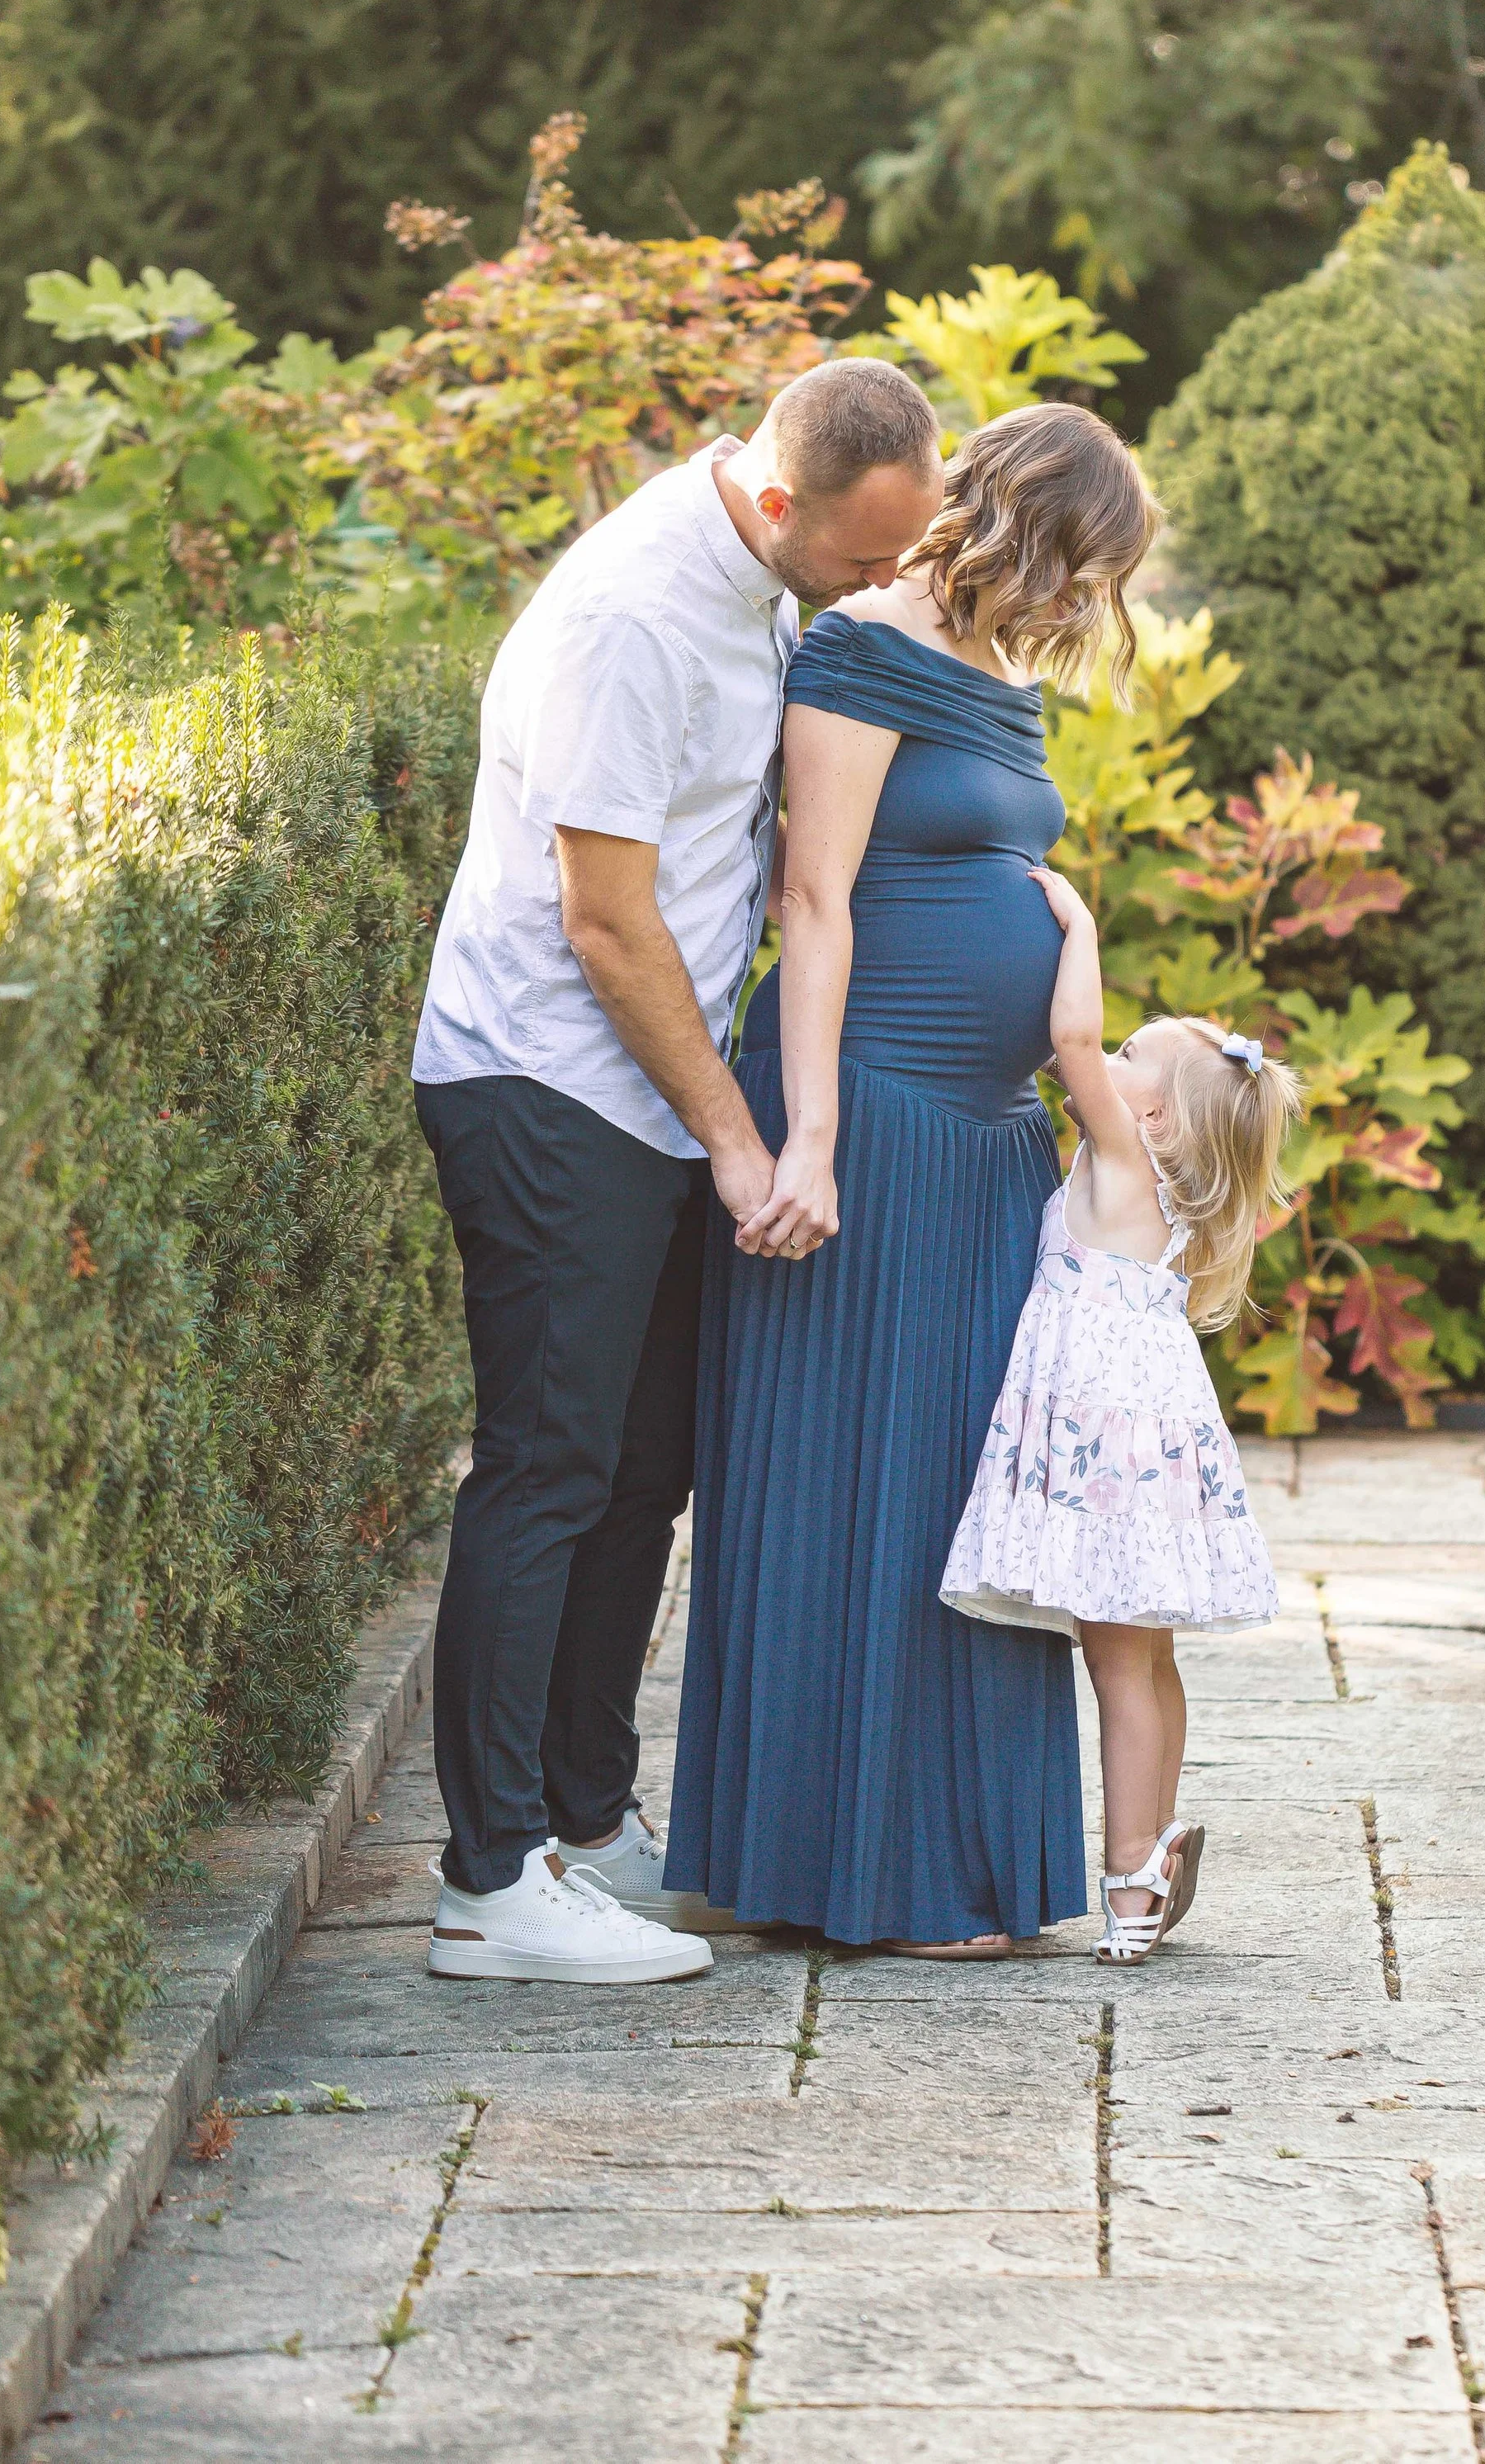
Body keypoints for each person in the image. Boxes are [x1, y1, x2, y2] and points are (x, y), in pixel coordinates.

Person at [413, 357, 943, 1985]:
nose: (876, 585)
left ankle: (582, 1824)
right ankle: (487, 1886)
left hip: (639, 1099)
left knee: (643, 1467)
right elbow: (604, 918)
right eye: (862, 558)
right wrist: (738, 1136)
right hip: (548, 1088)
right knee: (547, 1466)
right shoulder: (633, 620)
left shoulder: (768, 576)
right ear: (778, 503)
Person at [666, 402, 1159, 1955]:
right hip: (871, 1115)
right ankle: (873, 1878)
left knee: (972, 1491)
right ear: (1020, 523)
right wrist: (807, 1139)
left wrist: (1061, 932)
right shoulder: (863, 646)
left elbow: (982, 862)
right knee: (864, 1493)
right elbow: (813, 898)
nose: (1088, 605)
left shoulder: (998, 670)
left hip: (985, 1132)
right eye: (1082, 567)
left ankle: (951, 1862)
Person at [940, 866, 1296, 1965]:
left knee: (1112, 1663)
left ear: (1150, 1112)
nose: (1115, 1062)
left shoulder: (1124, 1156)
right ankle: (1150, 1843)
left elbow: (1069, 1039)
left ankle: (1132, 1872)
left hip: (1103, 1450)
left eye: (1139, 1058)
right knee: (1149, 1659)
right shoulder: (1170, 1193)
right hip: (1153, 1439)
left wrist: (1079, 917)